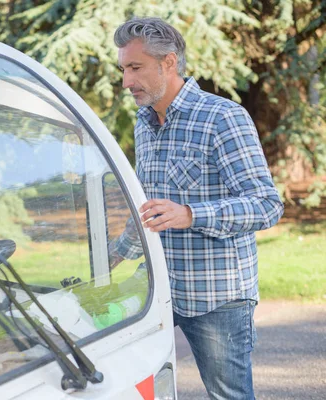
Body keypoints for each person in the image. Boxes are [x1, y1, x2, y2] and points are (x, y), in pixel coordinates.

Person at [110, 17, 284, 399]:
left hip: (216, 299)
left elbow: (267, 205)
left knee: (229, 395)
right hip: (156, 290)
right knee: (130, 384)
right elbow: (150, 207)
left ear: (168, 63)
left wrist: (190, 214)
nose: (126, 81)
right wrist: (114, 257)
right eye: (124, 69)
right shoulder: (144, 122)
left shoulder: (223, 117)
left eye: (135, 68)